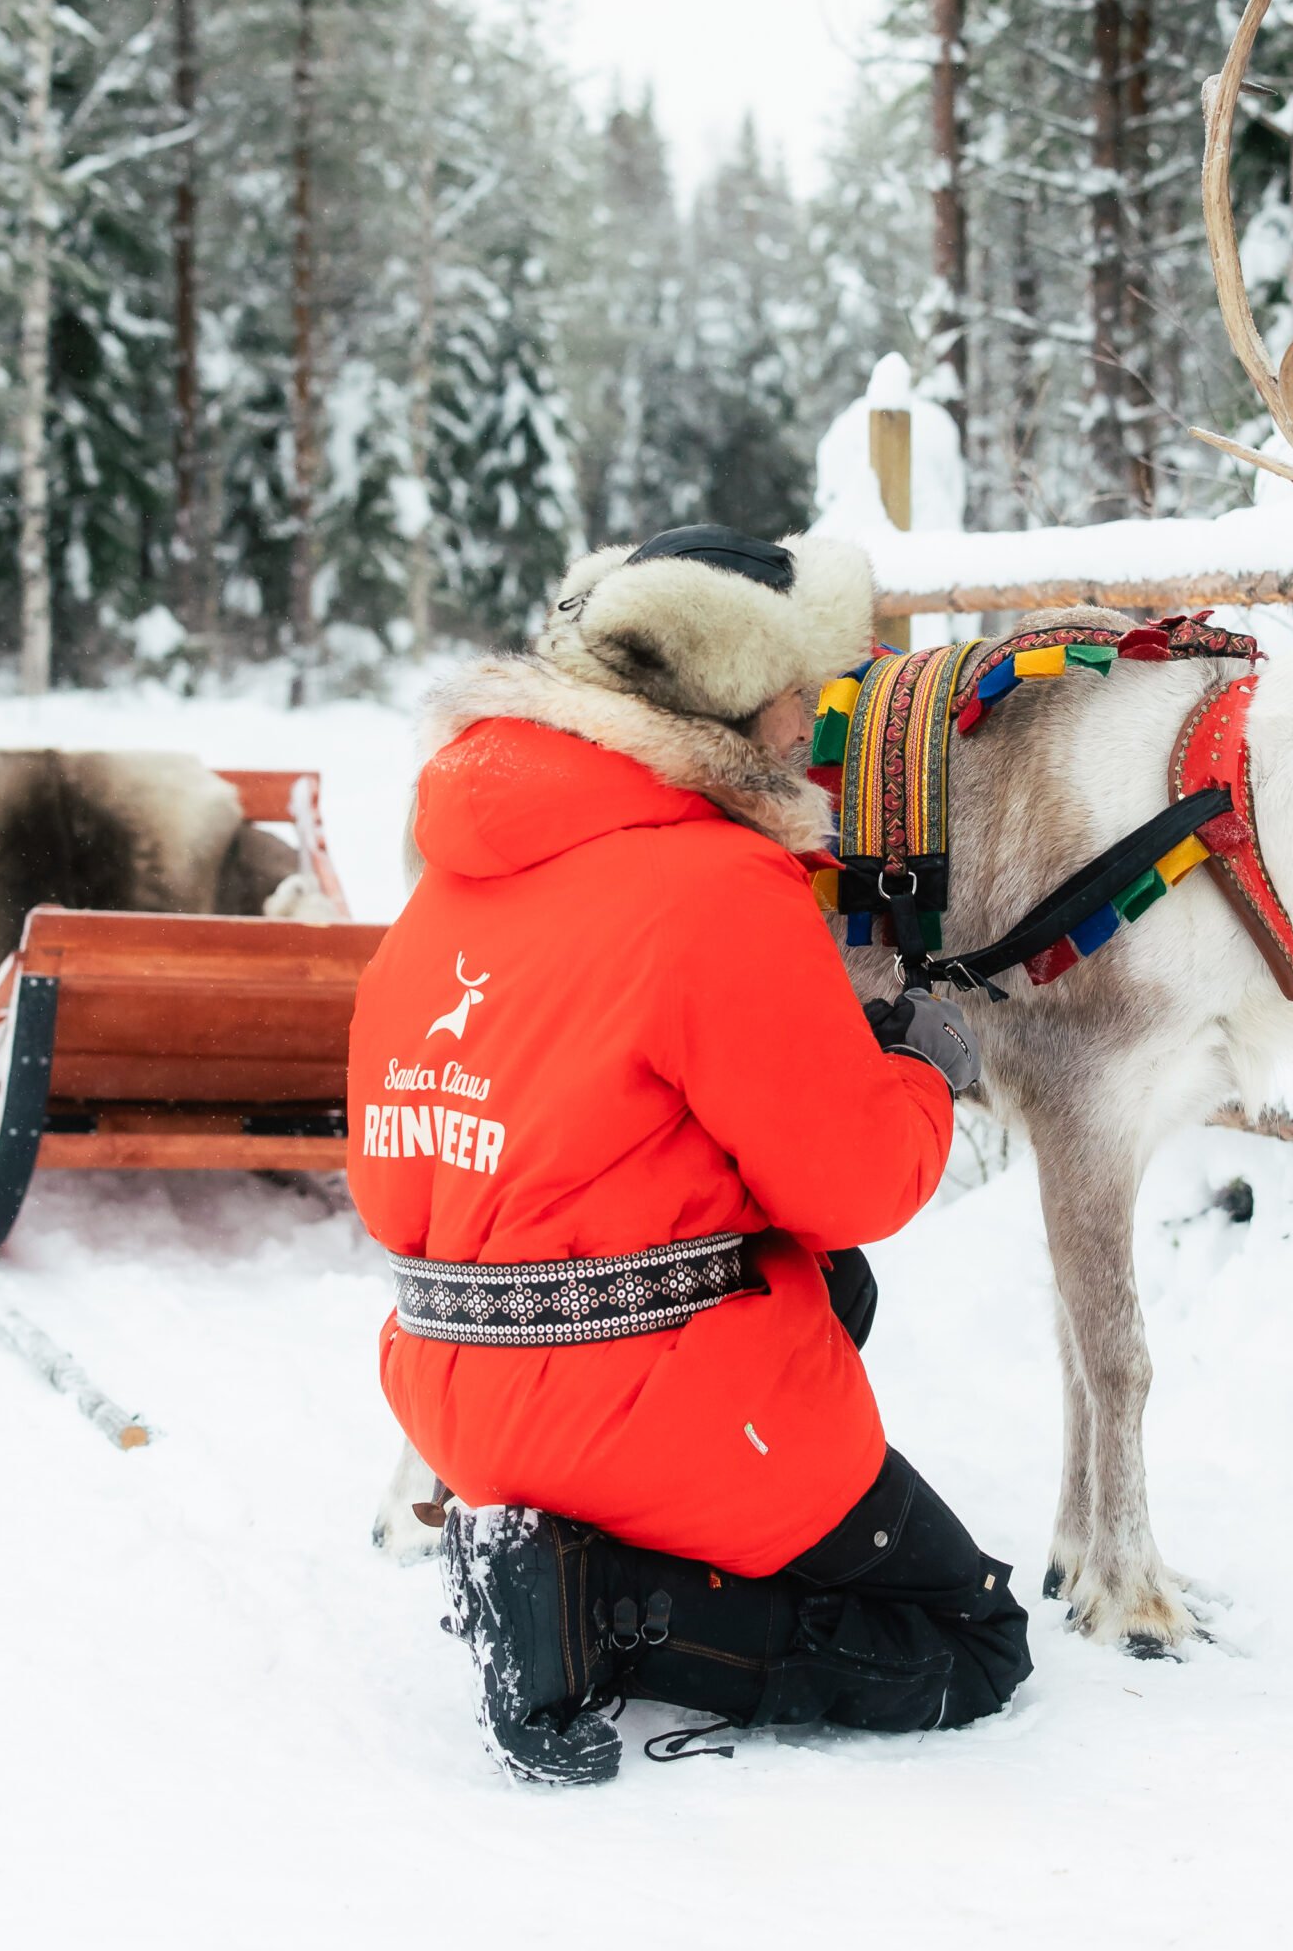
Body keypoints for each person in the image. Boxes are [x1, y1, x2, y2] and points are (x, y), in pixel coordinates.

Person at [347, 523, 1032, 1784]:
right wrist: (920, 1066)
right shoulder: (714, 886)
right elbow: (856, 1185)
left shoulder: (457, 866)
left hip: (451, 1382)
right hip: (629, 1393)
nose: (810, 727)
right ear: (744, 702)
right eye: (802, 699)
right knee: (970, 1639)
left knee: (831, 1293)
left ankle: (566, 1542)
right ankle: (602, 1602)